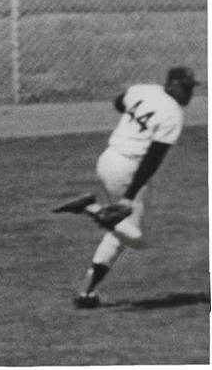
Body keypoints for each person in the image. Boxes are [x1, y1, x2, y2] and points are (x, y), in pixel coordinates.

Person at [53, 66, 199, 309]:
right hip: (128, 169)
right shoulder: (173, 114)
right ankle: (90, 207)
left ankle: (86, 293)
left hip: (108, 158)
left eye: (191, 89)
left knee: (118, 231)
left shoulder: (143, 90)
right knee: (138, 239)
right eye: (185, 88)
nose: (189, 94)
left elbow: (119, 103)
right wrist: (129, 198)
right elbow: (153, 159)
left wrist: (135, 115)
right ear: (171, 85)